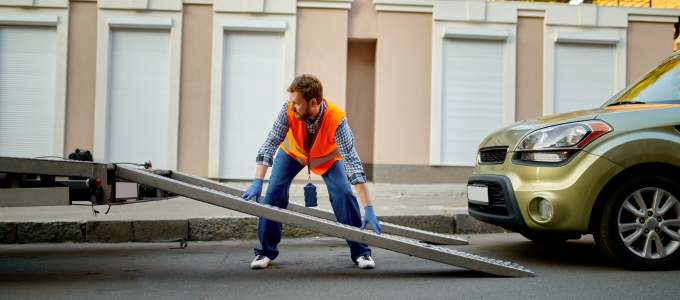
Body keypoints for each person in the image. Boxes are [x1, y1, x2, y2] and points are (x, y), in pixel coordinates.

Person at [241, 74, 383, 270]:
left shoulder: (337, 119)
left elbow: (352, 163)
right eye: (292, 102)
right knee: (274, 192)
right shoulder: (288, 109)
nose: (292, 106)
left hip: (328, 158)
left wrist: (368, 208)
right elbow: (270, 142)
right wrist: (258, 180)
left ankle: (361, 252)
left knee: (343, 194)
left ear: (313, 102)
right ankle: (265, 252)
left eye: (297, 103)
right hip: (293, 153)